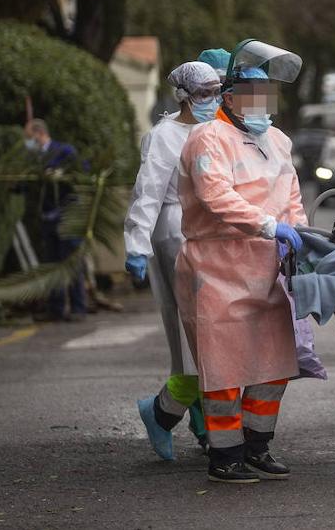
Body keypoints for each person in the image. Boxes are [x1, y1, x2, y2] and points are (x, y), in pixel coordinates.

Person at [174, 41, 307, 484]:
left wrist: (298, 234)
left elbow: (291, 197)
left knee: (274, 363)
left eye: (268, 97)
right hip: (216, 266)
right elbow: (216, 198)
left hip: (269, 265)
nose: (262, 106)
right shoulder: (207, 138)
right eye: (253, 96)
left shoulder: (278, 140)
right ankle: (224, 455)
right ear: (229, 98)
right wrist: (271, 226)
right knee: (225, 368)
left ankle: (257, 446)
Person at [127, 60, 223, 461]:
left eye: (217, 90)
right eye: (203, 92)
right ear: (183, 94)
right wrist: (137, 243)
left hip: (213, 231)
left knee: (219, 333)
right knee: (192, 334)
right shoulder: (164, 136)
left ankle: (190, 416)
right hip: (175, 235)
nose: (211, 99)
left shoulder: (217, 129)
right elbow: (148, 191)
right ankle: (172, 414)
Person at [25, 118, 88, 322]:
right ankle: (56, 309)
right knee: (52, 264)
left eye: (29, 137)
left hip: (67, 215)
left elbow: (82, 169)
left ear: (39, 133)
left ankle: (78, 308)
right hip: (48, 218)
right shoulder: (33, 159)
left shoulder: (64, 151)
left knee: (70, 263)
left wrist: (62, 174)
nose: (28, 142)